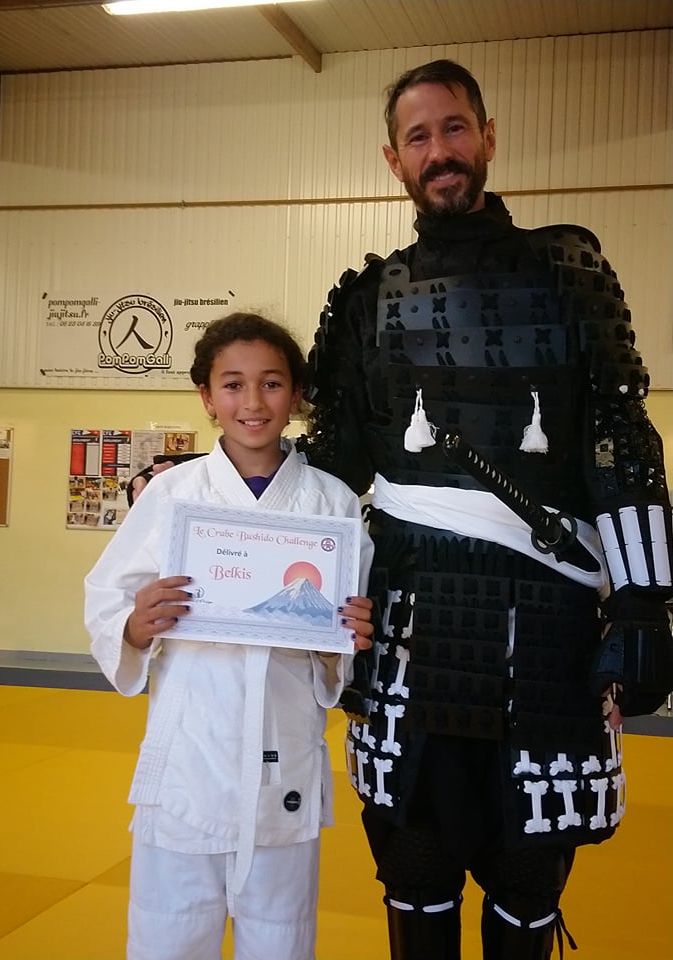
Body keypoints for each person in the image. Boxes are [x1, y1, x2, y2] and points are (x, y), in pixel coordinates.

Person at [293, 59, 673, 960]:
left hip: (549, 622)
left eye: (455, 128)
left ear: (489, 137)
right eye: (419, 136)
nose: (441, 151)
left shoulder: (569, 270)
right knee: (414, 864)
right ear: (394, 159)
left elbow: (620, 440)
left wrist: (646, 604)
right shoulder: (366, 300)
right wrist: (216, 496)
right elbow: (332, 467)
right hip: (409, 620)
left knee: (528, 872)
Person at [84, 312, 374, 960]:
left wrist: (345, 639)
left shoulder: (332, 503)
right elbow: (107, 593)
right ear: (207, 397)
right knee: (168, 935)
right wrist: (132, 624)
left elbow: (342, 639)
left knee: (281, 939)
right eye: (233, 384)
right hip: (188, 756)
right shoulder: (172, 493)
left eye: (271, 383)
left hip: (284, 752)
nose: (253, 402)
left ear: (296, 395)